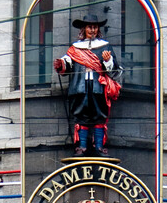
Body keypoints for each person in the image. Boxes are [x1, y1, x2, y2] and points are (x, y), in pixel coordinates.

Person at [53, 13, 123, 156]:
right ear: (84, 29)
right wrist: (61, 64)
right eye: (89, 27)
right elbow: (67, 63)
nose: (92, 30)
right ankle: (82, 146)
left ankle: (99, 146)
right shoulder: (75, 48)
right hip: (80, 87)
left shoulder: (105, 46)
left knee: (99, 115)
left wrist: (108, 61)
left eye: (95, 27)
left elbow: (114, 70)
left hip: (99, 87)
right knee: (81, 115)